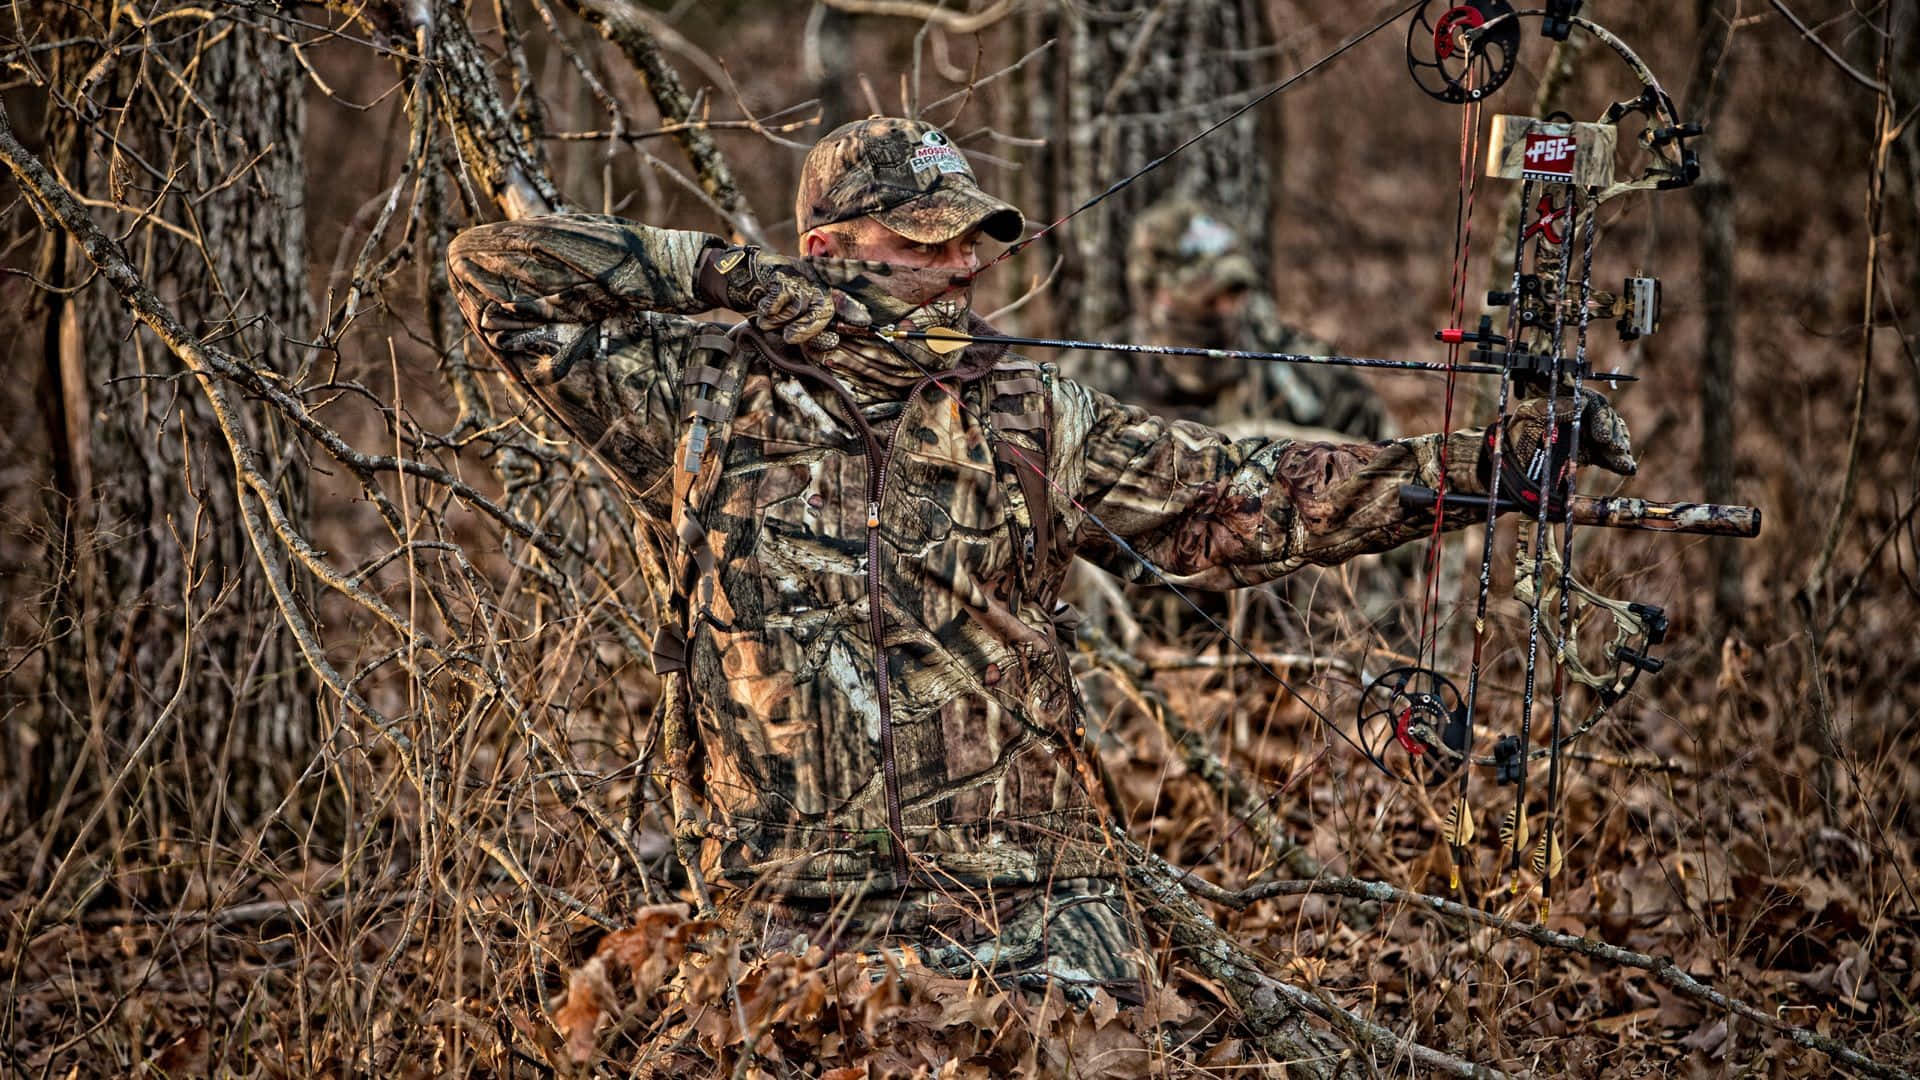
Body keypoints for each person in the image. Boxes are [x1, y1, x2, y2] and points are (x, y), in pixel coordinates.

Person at [445, 116, 1635, 999]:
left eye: (975, 241)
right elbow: (494, 279)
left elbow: (1247, 495)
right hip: (790, 907)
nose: (967, 268)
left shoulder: (1031, 416)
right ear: (826, 248)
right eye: (926, 243)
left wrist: (1490, 468)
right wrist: (721, 278)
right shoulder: (700, 399)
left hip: (1024, 906)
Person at [1120, 198, 1389, 442]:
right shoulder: (1103, 375)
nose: (1227, 308)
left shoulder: (1306, 370)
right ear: (1156, 294)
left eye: (1234, 291)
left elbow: (1387, 464)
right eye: (1208, 297)